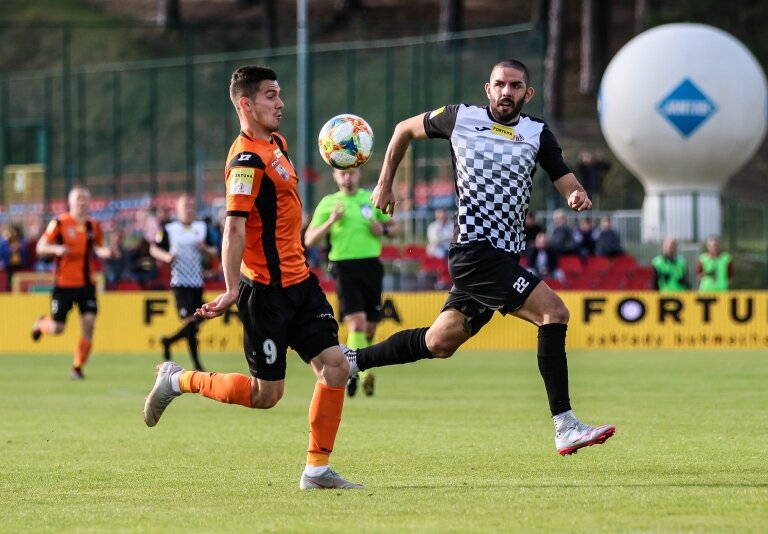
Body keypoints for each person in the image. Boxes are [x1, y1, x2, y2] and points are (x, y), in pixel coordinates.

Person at [346, 59, 615, 456]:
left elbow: (563, 175)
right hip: (474, 253)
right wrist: (386, 183)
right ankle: (565, 425)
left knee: (439, 341)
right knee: (554, 313)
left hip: (502, 257)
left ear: (528, 93)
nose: (507, 91)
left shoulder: (537, 133)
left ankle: (350, 360)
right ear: (488, 89)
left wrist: (575, 193)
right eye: (500, 84)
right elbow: (403, 129)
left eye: (515, 86)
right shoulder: (459, 118)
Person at [142, 65, 362, 490]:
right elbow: (234, 229)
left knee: (335, 368)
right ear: (246, 103)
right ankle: (178, 379)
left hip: (301, 282)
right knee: (266, 395)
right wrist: (230, 289)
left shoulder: (277, 144)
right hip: (264, 292)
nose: (280, 103)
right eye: (270, 96)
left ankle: (317, 470)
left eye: (279, 94)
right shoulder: (245, 161)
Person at [304, 167, 396, 398]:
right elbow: (309, 239)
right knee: (357, 323)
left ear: (359, 174)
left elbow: (395, 228)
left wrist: (383, 228)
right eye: (342, 173)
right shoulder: (329, 203)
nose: (347, 176)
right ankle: (361, 374)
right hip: (343, 267)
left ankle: (354, 367)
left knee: (370, 327)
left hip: (371, 266)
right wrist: (331, 221)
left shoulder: (371, 198)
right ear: (335, 176)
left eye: (352, 172)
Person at [31, 186, 116, 380]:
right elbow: (40, 247)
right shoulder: (59, 223)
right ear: (70, 202)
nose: (82, 202)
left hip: (86, 285)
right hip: (64, 285)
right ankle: (41, 323)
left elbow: (99, 248)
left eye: (85, 199)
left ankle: (77, 367)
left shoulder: (93, 226)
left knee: (89, 323)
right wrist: (56, 249)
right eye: (78, 199)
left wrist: (108, 253)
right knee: (57, 328)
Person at [149, 194, 217, 372]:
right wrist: (166, 256)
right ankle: (197, 365)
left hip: (197, 283)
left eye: (191, 205)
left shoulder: (202, 228)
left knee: (197, 322)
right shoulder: (169, 229)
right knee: (191, 322)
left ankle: (168, 341)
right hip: (180, 283)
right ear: (177, 210)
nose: (188, 208)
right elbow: (153, 248)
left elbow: (214, 252)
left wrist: (205, 249)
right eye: (185, 205)